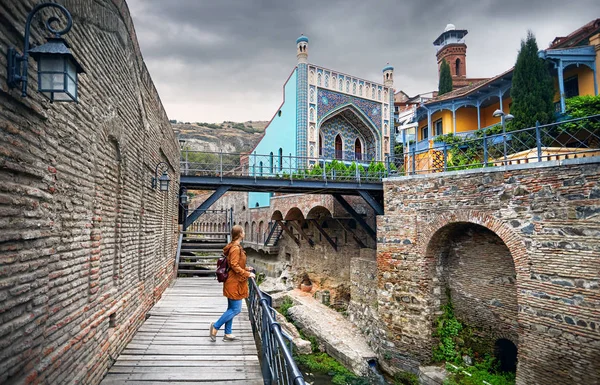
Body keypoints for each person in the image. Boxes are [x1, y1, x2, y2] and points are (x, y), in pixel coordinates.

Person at [209, 225, 255, 342]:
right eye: (243, 231)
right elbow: (234, 265)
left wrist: (245, 268)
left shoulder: (235, 246)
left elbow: (235, 263)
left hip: (234, 281)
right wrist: (247, 273)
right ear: (240, 234)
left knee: (231, 308)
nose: (244, 233)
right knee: (236, 309)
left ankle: (228, 333)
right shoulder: (235, 248)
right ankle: (216, 326)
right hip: (234, 282)